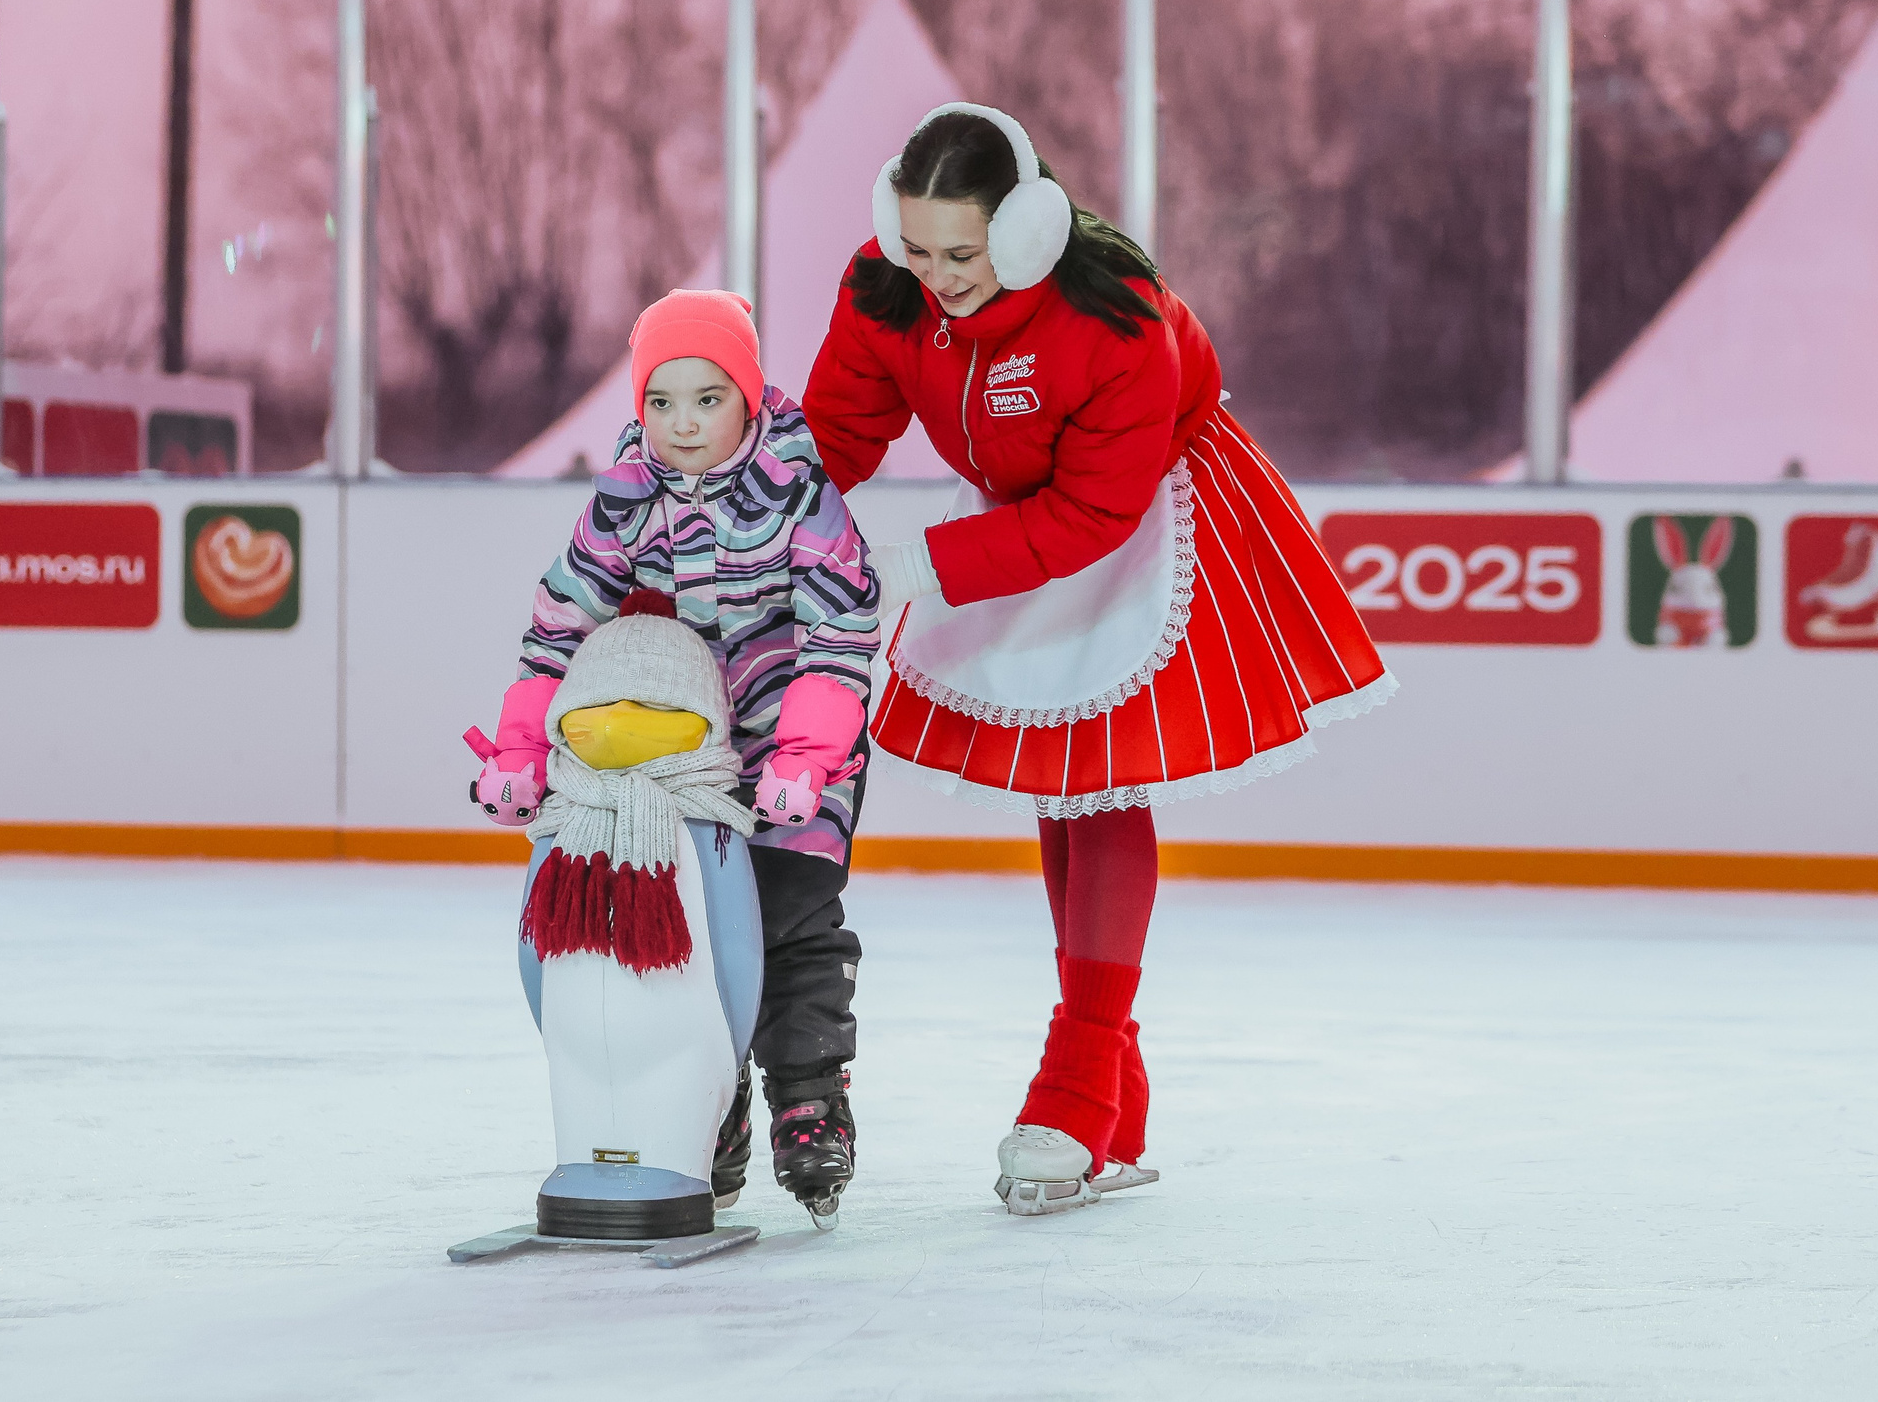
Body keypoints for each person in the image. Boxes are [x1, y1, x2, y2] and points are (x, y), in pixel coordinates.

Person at [804, 103, 1394, 1214]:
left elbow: (1089, 513)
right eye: (918, 249)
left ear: (1024, 228)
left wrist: (921, 563)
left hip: (1145, 512)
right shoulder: (887, 287)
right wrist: (741, 529)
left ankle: (1076, 1086)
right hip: (1024, 510)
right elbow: (835, 432)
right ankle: (1106, 1096)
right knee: (1065, 785)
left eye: (963, 255)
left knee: (1103, 782)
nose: (938, 279)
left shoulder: (1116, 319)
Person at [468, 288, 880, 1225]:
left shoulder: (798, 492)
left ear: (748, 395)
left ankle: (809, 1094)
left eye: (707, 398)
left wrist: (806, 760)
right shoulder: (624, 500)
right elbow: (558, 629)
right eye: (660, 400)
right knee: (681, 929)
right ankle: (708, 1106)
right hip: (679, 766)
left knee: (792, 914)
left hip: (789, 756)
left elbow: (841, 630)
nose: (682, 423)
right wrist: (522, 751)